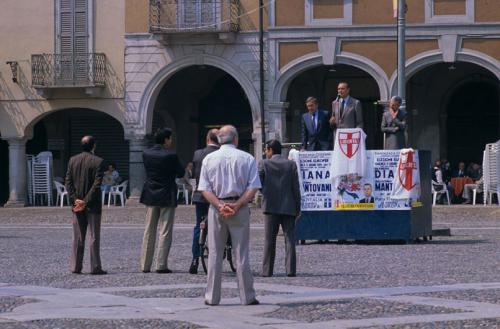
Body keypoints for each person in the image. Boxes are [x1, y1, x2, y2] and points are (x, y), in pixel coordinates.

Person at [198, 125, 261, 306]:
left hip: (216, 208)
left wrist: (219, 205)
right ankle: (247, 296)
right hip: (239, 208)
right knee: (241, 254)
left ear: (218, 140)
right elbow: (253, 186)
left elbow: (204, 189)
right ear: (236, 139)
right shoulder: (247, 158)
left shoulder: (209, 159)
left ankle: (212, 296)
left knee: (215, 253)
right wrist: (238, 204)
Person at [140, 127, 184, 273]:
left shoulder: (146, 153)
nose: (171, 141)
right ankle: (161, 265)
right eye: (170, 138)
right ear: (165, 139)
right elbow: (181, 172)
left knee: (149, 230)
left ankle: (145, 265)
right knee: (164, 230)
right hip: (166, 194)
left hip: (150, 193)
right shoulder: (171, 155)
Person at [65, 135, 107, 275]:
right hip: (92, 205)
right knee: (94, 236)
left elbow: (68, 182)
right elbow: (97, 184)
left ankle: (75, 267)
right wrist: (86, 200)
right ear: (93, 145)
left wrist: (75, 199)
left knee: (78, 236)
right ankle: (95, 267)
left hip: (77, 205)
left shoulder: (73, 160)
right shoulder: (98, 161)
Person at [259, 140, 301, 278]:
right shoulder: (291, 164)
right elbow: (296, 187)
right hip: (288, 206)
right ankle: (290, 270)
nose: (266, 152)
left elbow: (258, 183)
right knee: (289, 239)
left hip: (270, 206)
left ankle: (267, 271)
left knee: (269, 239)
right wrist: (298, 206)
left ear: (270, 150)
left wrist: (266, 191)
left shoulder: (264, 163)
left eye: (266, 150)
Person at [189, 129, 219, 274]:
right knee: (217, 227)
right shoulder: (220, 154)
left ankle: (195, 258)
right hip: (216, 197)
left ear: (207, 139)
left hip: (200, 196)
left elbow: (195, 174)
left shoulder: (197, 154)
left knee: (198, 226)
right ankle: (215, 258)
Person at [329, 82, 364, 146]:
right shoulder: (334, 103)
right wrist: (331, 122)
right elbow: (333, 121)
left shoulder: (355, 103)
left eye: (342, 89)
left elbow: (359, 122)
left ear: (348, 90)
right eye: (338, 89)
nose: (340, 91)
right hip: (338, 136)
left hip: (351, 137)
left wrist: (356, 135)